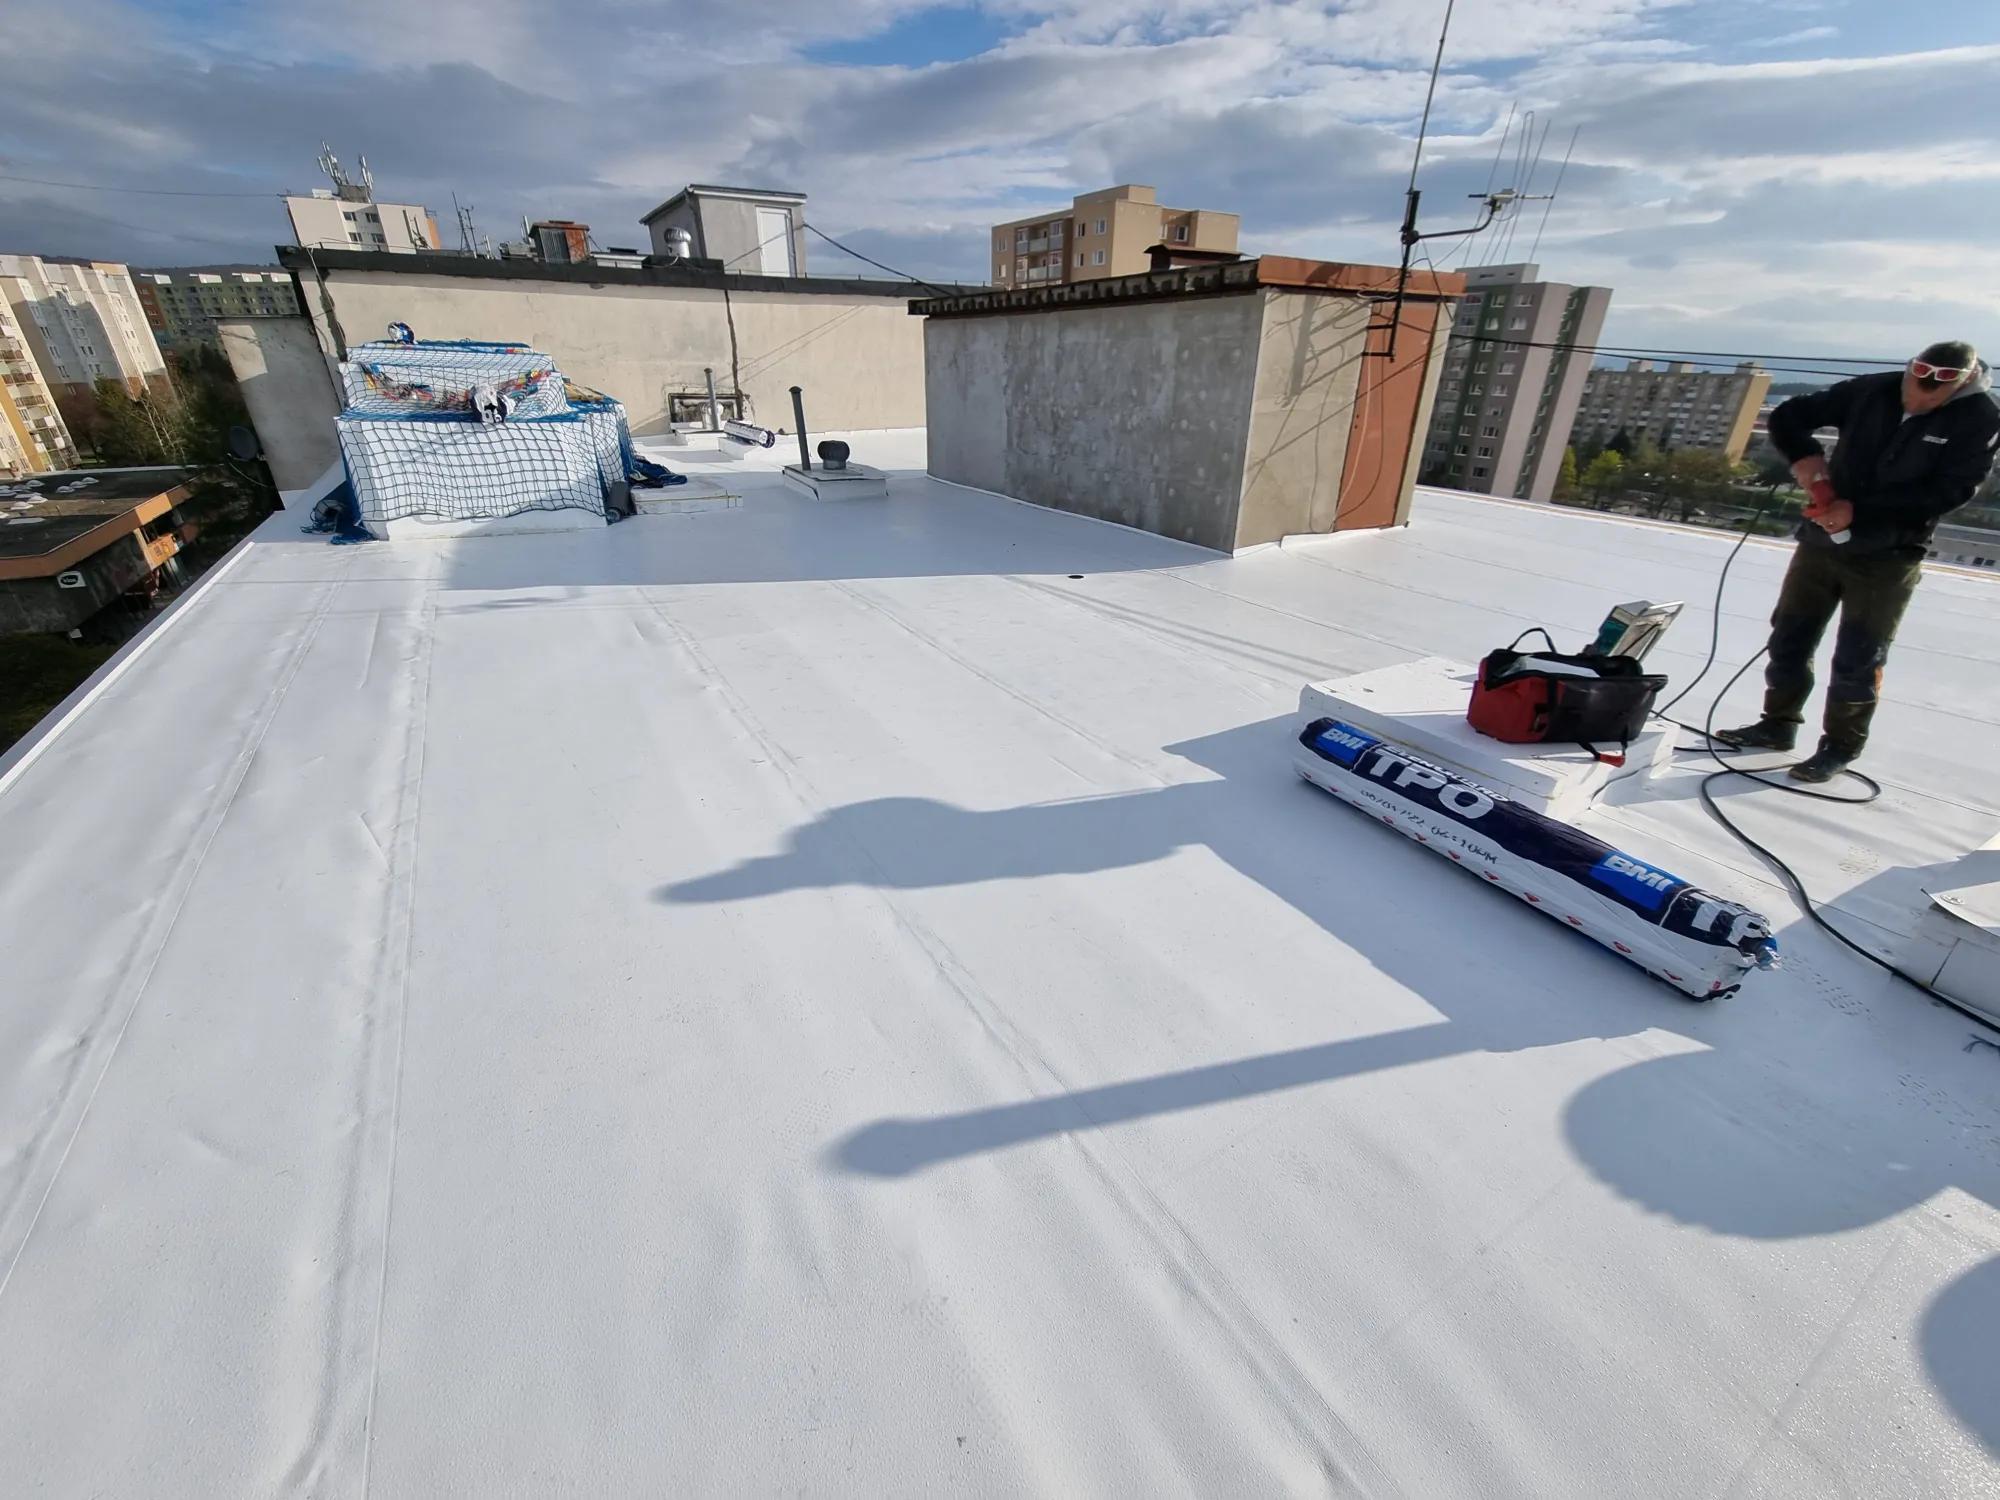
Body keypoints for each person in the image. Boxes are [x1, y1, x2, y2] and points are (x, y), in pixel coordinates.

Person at [1716, 340, 2000, 781]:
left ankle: (1840, 746)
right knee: (1790, 634)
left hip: (1889, 554)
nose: (1917, 397)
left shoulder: (1981, 417)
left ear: (1960, 384)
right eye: (1913, 383)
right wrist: (1813, 472)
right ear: (1908, 370)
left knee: (1859, 655)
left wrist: (1859, 510)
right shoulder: (1874, 390)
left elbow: (1951, 491)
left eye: (1932, 395)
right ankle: (1777, 724)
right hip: (1821, 542)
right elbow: (1790, 416)